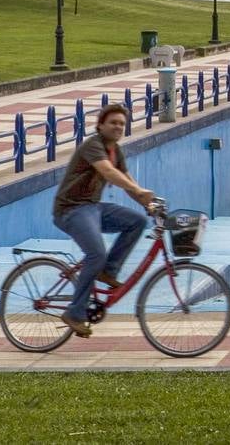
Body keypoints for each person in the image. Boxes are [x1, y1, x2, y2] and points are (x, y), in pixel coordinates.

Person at [52, 104, 156, 338]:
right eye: (113, 123)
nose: (118, 127)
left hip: (93, 207)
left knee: (137, 221)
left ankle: (108, 271)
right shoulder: (93, 146)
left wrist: (147, 203)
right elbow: (109, 172)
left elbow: (127, 180)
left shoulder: (115, 150)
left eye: (121, 123)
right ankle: (75, 313)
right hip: (71, 209)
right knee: (96, 253)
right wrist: (138, 190)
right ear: (101, 125)